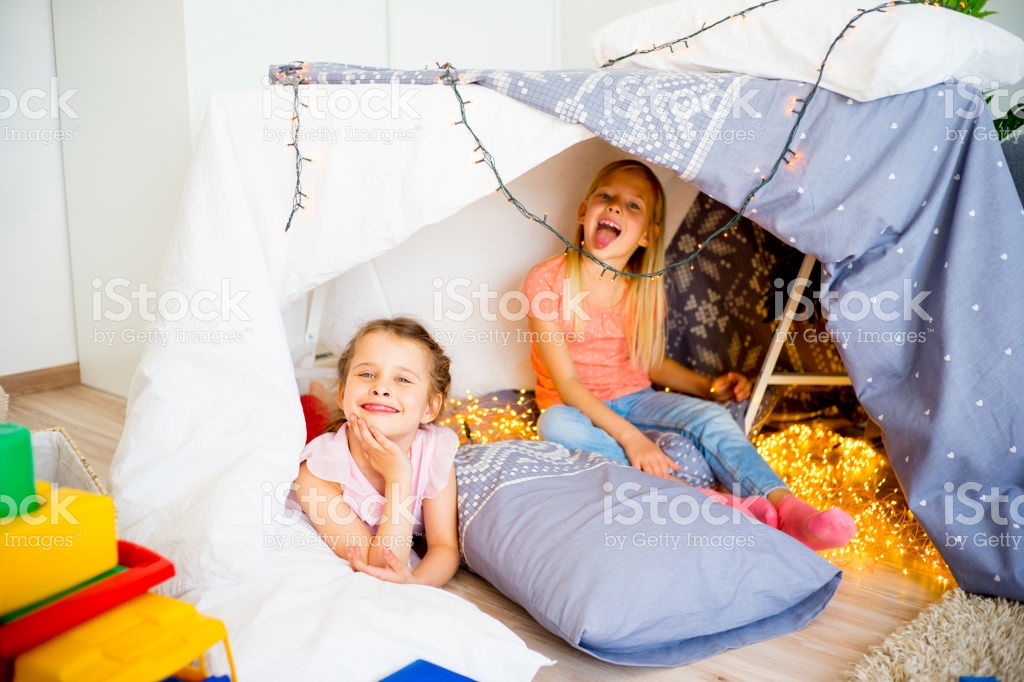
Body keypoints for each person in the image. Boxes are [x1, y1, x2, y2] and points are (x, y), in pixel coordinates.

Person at [523, 159, 856, 551]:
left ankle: (789, 508)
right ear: (584, 211)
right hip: (577, 407)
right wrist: (634, 441)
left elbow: (651, 363)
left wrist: (707, 388)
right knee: (555, 425)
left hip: (637, 398)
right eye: (606, 196)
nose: (615, 207)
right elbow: (568, 385)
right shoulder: (547, 280)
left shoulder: (643, 290)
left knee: (712, 418)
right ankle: (706, 502)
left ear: (647, 236)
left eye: (634, 206)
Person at [292, 317, 460, 586]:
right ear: (343, 393)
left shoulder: (435, 450)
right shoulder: (315, 474)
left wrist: (416, 583)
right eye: (367, 374)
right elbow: (379, 564)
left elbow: (444, 547)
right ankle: (315, 397)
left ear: (430, 408)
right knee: (307, 416)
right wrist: (398, 478)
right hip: (326, 440)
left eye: (403, 379)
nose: (381, 388)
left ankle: (316, 396)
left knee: (315, 411)